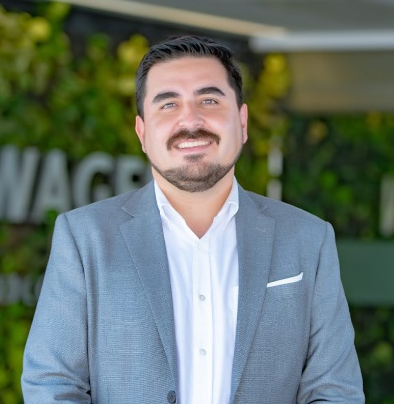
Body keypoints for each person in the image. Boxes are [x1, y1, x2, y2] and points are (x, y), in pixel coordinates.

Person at [22, 35, 364, 403]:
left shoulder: (307, 239)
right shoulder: (85, 237)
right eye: (168, 104)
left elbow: (334, 391)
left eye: (209, 101)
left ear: (242, 122)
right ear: (142, 133)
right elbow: (52, 384)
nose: (190, 120)